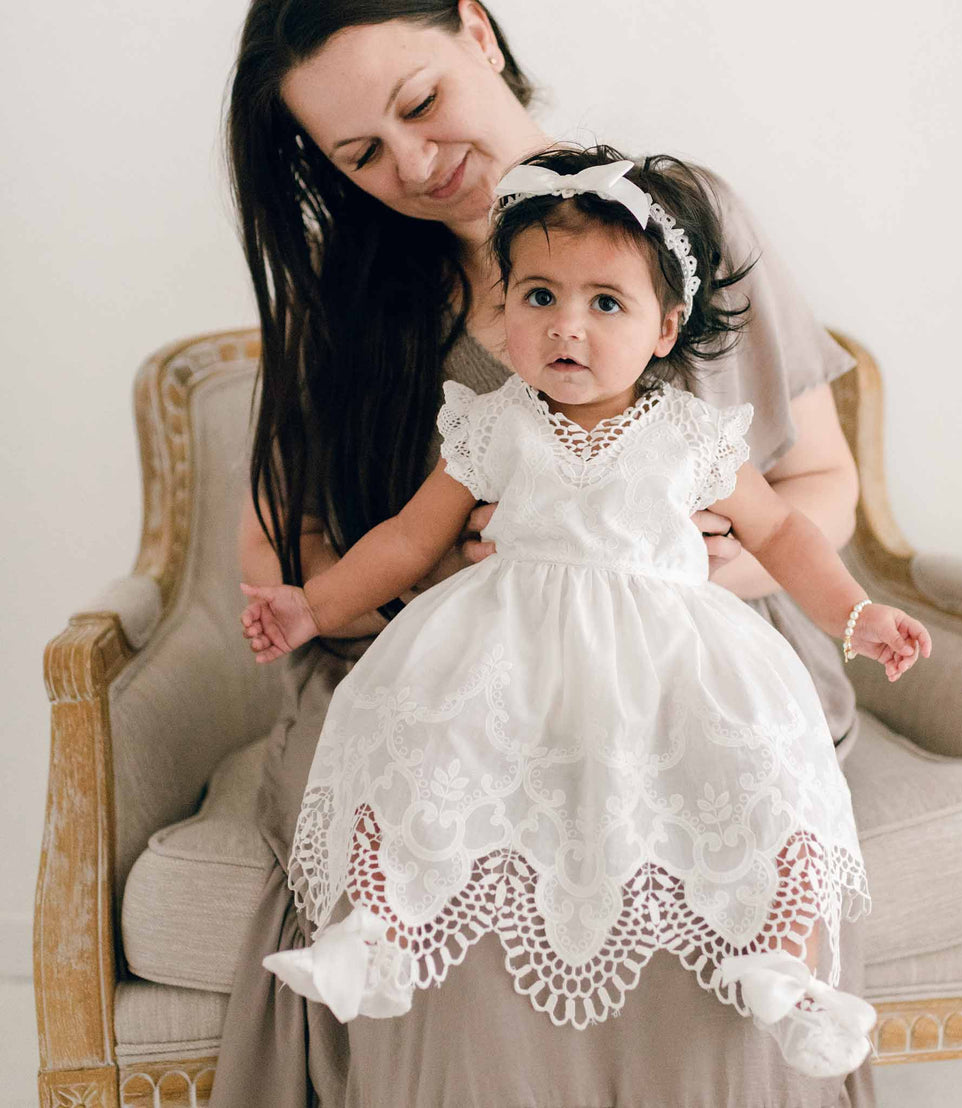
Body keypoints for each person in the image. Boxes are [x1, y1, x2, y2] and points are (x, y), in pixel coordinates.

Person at [213, 3, 881, 1105]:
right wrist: (447, 579)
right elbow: (279, 548)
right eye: (362, 154)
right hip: (466, 666)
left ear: (478, 30)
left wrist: (691, 562)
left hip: (680, 660)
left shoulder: (684, 220)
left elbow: (823, 490)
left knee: (701, 859)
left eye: (420, 102)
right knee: (447, 895)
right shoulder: (353, 298)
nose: (417, 164)